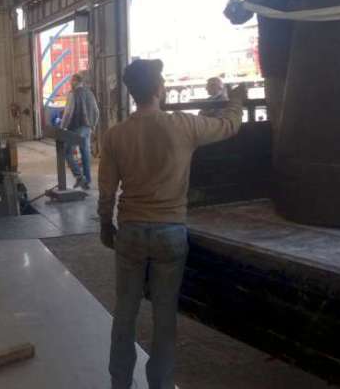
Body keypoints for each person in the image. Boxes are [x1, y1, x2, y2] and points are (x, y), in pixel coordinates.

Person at [98, 59, 245, 389]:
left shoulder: (115, 135)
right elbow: (229, 125)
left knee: (125, 313)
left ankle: (120, 383)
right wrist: (235, 100)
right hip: (170, 233)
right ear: (158, 89)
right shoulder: (184, 125)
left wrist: (106, 226)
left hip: (131, 233)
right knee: (164, 319)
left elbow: (106, 190)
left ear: (133, 92)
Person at [224, 0, 327, 133]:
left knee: (315, 124)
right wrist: (234, 8)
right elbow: (240, 16)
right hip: (278, 69)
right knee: (282, 127)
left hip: (313, 67)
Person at [61, 71, 100, 189]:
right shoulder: (89, 93)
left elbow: (68, 112)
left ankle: (79, 177)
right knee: (85, 153)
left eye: (71, 81)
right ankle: (87, 180)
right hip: (87, 128)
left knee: (67, 152)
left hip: (76, 127)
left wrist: (62, 127)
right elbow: (96, 111)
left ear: (76, 81)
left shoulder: (73, 94)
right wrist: (93, 126)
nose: (70, 83)